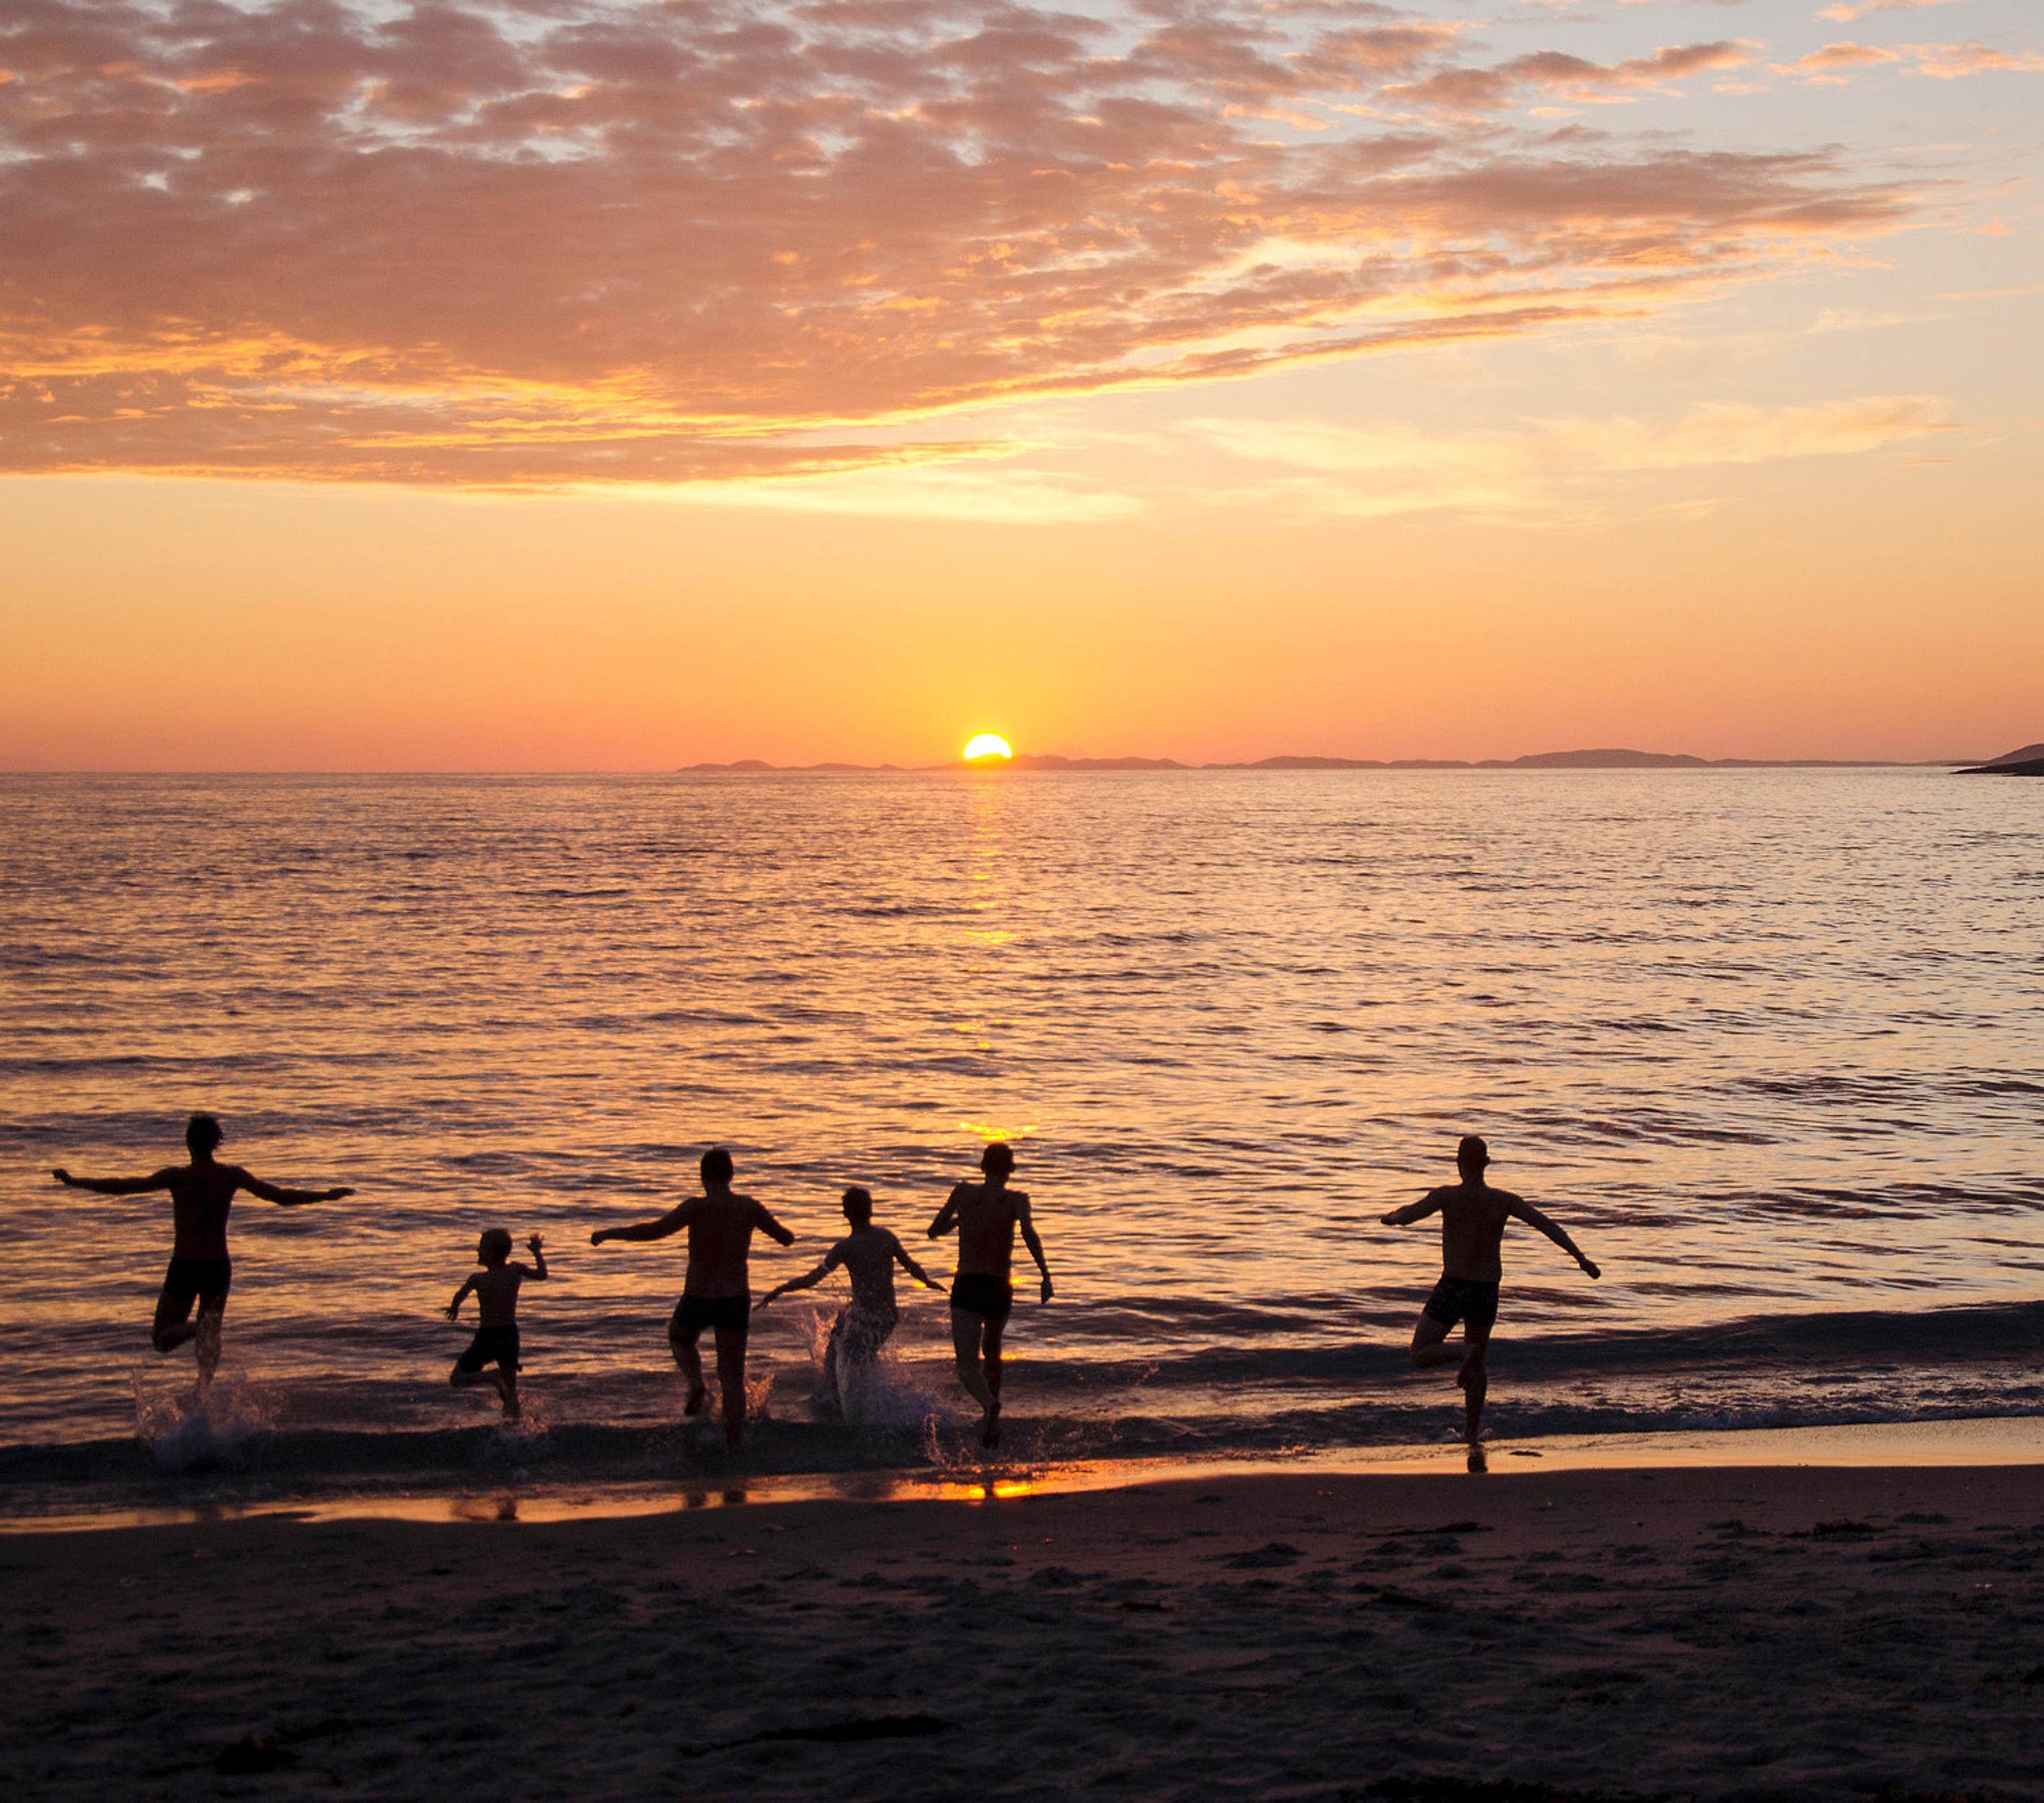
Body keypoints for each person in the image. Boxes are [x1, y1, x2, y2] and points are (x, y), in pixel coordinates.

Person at [52, 1113, 353, 1388]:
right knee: (210, 1339)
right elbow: (280, 1197)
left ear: (188, 1143)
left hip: (185, 1265)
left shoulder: (178, 1177)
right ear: (216, 1144)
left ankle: (195, 1330)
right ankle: (203, 1392)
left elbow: (125, 1186)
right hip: (217, 1267)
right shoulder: (231, 1176)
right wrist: (325, 1196)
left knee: (161, 1339)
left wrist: (76, 1181)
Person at [1381, 1135, 1599, 1447]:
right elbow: (1547, 1225)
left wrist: (1389, 1217)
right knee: (1478, 1362)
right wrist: (1581, 1259)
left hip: (1454, 1286)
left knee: (1420, 1353)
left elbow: (1408, 1215)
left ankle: (1461, 1352)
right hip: (1486, 1290)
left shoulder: (1447, 1197)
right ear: (1486, 1164)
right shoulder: (1504, 1201)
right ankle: (1471, 1434)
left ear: (1458, 1164)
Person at [589, 1148, 794, 1449]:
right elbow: (786, 1238)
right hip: (735, 1296)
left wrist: (609, 1233)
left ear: (703, 1177)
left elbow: (654, 1231)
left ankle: (697, 1384)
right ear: (732, 1175)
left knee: (679, 1337)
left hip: (699, 1294)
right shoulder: (749, 1207)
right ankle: (733, 1445)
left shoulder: (695, 1207)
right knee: (732, 1375)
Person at [755, 1186, 942, 1402]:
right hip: (888, 1318)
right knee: (842, 1326)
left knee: (845, 1351)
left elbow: (813, 1278)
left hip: (866, 1321)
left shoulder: (845, 1247)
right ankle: (860, 1391)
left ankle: (841, 1397)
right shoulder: (886, 1238)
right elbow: (911, 1266)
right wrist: (927, 1282)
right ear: (871, 1211)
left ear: (845, 1214)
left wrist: (780, 1290)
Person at [927, 1141, 1052, 1448]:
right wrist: (1045, 1275)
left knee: (967, 1366)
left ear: (982, 1167)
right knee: (992, 1353)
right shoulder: (1017, 1200)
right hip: (998, 1286)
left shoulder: (962, 1193)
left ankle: (988, 1404)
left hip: (968, 1283)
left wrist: (959, 1221)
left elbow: (933, 1231)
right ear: (1011, 1169)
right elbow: (1028, 1235)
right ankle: (991, 1425)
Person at [446, 1230, 548, 1420]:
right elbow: (542, 1275)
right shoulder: (515, 1270)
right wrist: (537, 1252)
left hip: (488, 1336)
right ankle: (514, 1429)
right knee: (511, 1389)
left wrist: (454, 1307)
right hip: (509, 1335)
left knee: (457, 1379)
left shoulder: (477, 1279)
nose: (477, 1250)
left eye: (481, 1247)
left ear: (491, 1254)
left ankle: (491, 1377)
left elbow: (460, 1295)